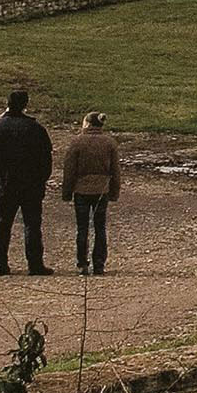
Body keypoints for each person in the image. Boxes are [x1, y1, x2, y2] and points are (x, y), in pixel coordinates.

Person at [0, 85, 54, 276]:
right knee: (32, 224)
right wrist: (41, 179)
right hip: (31, 184)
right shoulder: (35, 129)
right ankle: (35, 263)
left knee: (3, 223)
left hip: (7, 182)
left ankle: (0, 262)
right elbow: (46, 158)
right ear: (25, 105)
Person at [61, 110, 121, 276]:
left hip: (81, 190)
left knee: (82, 228)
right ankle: (99, 264)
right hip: (102, 190)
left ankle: (82, 264)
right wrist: (114, 192)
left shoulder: (77, 142)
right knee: (100, 227)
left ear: (86, 123)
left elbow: (69, 170)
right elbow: (115, 170)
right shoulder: (109, 143)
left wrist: (67, 192)